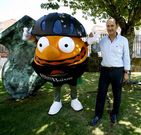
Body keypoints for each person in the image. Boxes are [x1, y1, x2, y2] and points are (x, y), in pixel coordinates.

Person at [87, 17, 130, 126]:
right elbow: (96, 49)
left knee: (117, 95)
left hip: (118, 71)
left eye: (112, 26)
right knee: (101, 94)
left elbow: (126, 57)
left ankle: (114, 113)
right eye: (108, 26)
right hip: (105, 71)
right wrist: (92, 40)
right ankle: (97, 115)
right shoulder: (103, 40)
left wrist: (126, 72)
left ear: (117, 27)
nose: (110, 28)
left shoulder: (123, 40)